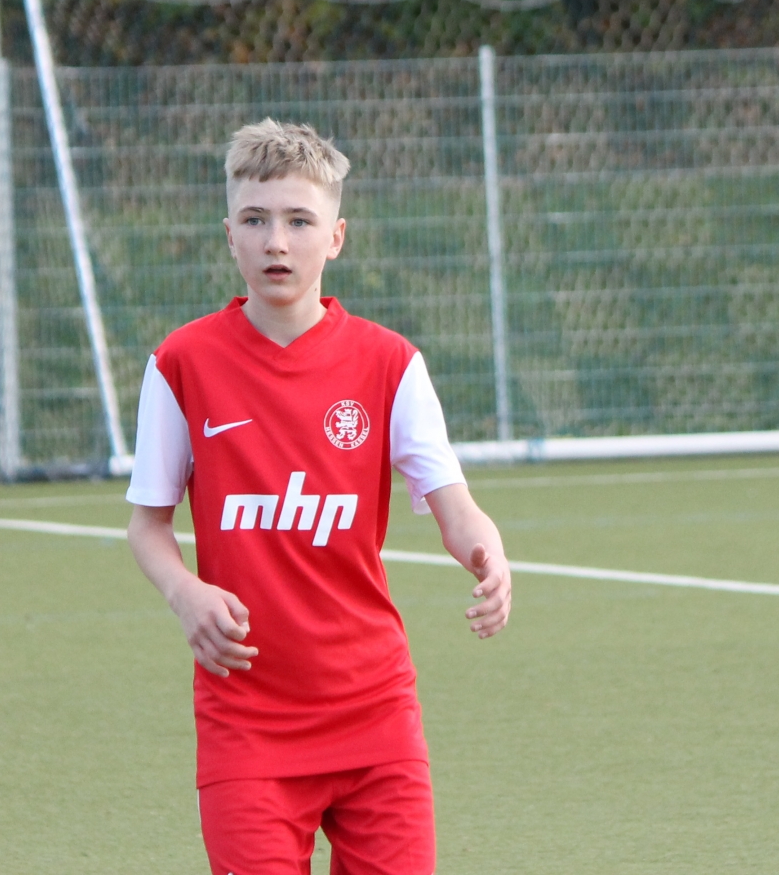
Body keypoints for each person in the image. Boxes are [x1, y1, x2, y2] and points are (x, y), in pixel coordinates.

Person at [124, 118, 511, 875]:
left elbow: (454, 503)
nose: (277, 241)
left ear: (336, 237)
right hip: (247, 721)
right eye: (255, 220)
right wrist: (185, 593)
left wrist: (485, 550)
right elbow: (147, 525)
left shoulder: (390, 364)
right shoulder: (181, 364)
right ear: (228, 236)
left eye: (300, 221)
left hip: (375, 712)